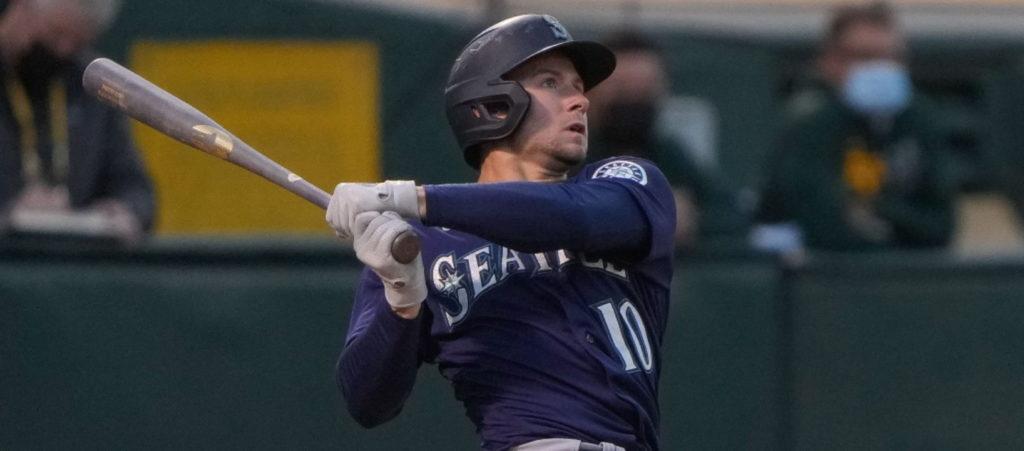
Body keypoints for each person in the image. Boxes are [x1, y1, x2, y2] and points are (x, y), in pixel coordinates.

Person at [325, 14, 675, 451]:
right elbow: (367, 401)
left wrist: (409, 197)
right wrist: (401, 300)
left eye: (578, 87)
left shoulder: (626, 181)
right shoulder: (420, 246)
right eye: (551, 83)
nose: (580, 101)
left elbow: (569, 218)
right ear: (491, 105)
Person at [753, 2, 955, 252]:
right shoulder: (808, 125)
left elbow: (940, 226)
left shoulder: (920, 119)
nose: (879, 68)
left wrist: (877, 209)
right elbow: (825, 228)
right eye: (864, 57)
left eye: (890, 57)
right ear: (830, 62)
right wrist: (897, 224)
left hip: (905, 268)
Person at [0, 0, 155, 243]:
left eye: (78, 41)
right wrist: (9, 213)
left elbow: (135, 187)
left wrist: (126, 211)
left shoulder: (93, 86)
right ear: (21, 9)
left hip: (76, 256)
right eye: (55, 34)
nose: (64, 49)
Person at [586, 31, 749, 249]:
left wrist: (692, 219)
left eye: (645, 89)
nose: (633, 98)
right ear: (590, 91)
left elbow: (731, 214)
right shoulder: (570, 152)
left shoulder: (667, 153)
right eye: (621, 88)